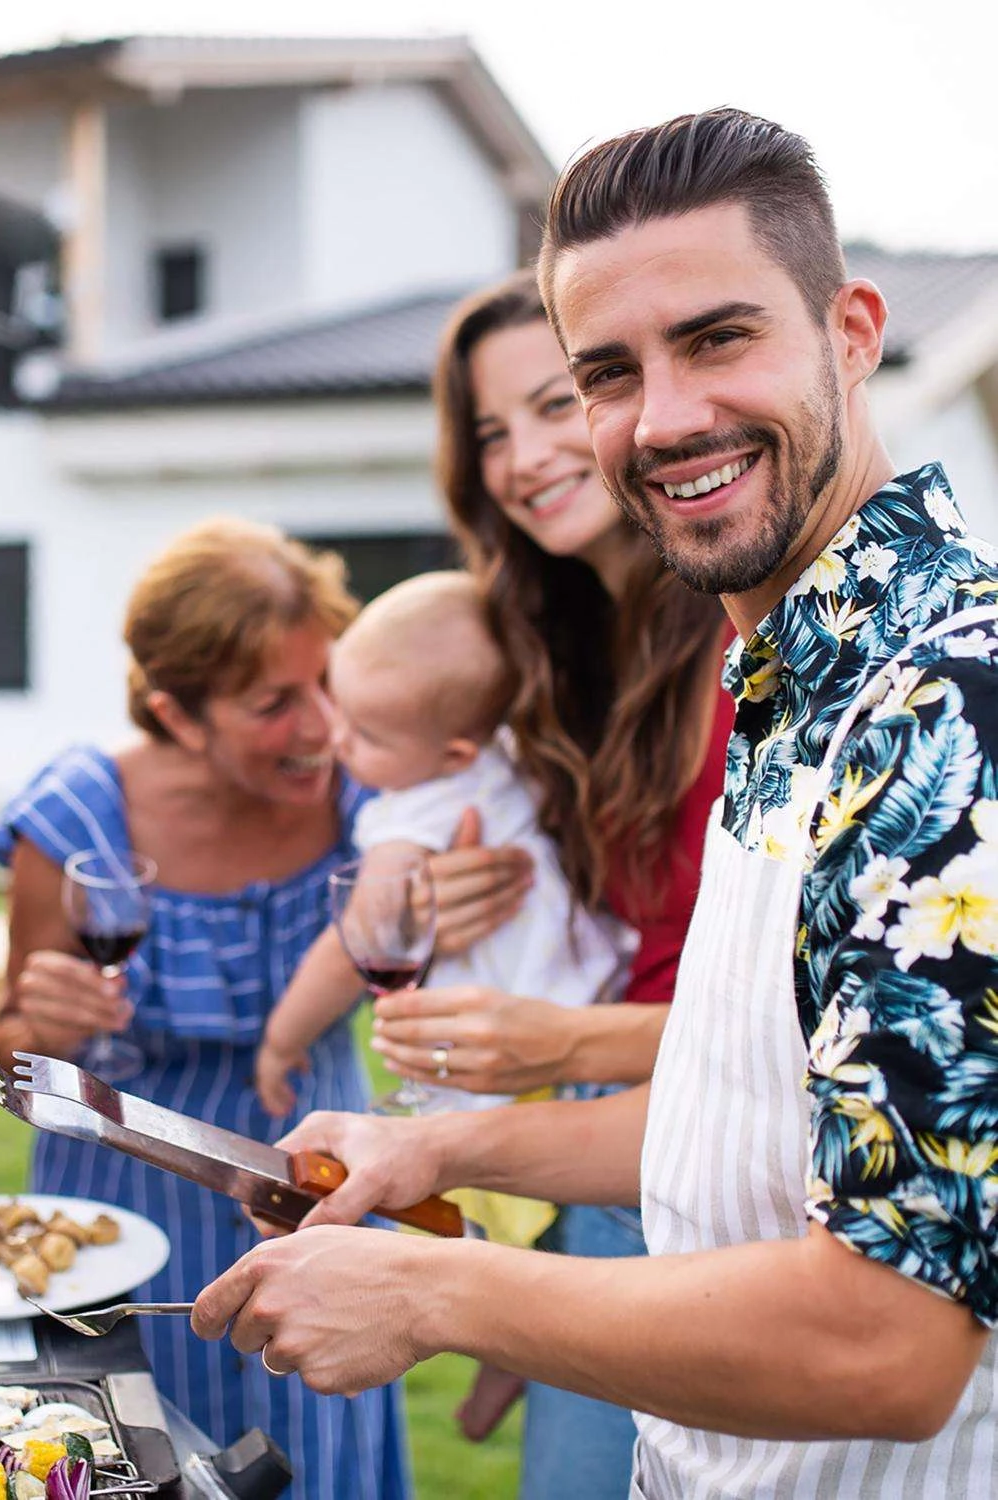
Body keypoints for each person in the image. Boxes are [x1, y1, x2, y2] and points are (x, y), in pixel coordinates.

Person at [193, 109, 998, 1496]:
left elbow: (892, 1340)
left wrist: (432, 1296)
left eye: (720, 338)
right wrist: (435, 1145)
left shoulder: (945, 705)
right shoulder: (784, 668)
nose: (666, 417)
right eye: (609, 373)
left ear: (853, 332)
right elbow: (754, 1112)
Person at [0, 519, 531, 1500]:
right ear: (178, 714)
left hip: (314, 1195)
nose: (323, 724)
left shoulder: (369, 788)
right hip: (121, 1220)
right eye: (274, 703)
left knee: (316, 1466)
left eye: (325, 682)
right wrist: (41, 1024)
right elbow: (13, 1044)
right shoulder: (74, 818)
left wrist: (463, 900)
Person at [358, 268, 732, 1494]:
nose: (522, 458)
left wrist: (557, 1040)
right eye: (489, 433)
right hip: (615, 1167)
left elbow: (786, 1033)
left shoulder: (746, 647)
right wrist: (446, 890)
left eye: (557, 402)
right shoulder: (556, 664)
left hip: (717, 1182)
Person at [253, 569, 632, 1124]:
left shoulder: (419, 808)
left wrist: (282, 1041)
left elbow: (364, 938)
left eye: (368, 736)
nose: (337, 739)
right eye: (342, 711)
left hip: (504, 1045)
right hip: (582, 1000)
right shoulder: (505, 756)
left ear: (453, 754)